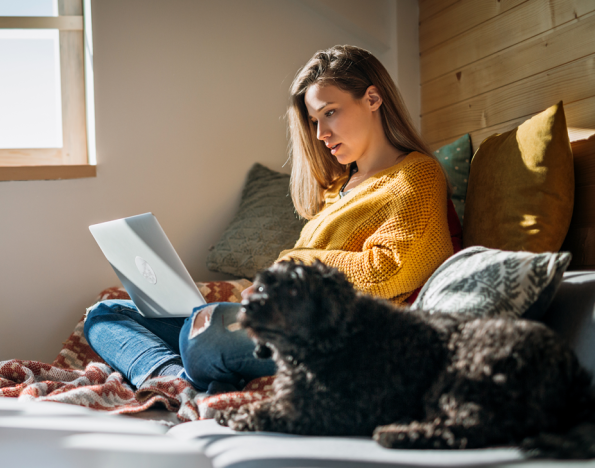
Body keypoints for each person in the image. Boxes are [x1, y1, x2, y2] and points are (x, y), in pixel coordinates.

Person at [83, 45, 454, 395]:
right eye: (314, 121)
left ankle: (187, 368)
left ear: (373, 99)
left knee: (207, 337)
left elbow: (388, 271)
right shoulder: (339, 187)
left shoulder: (416, 175)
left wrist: (291, 266)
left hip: (338, 337)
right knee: (106, 313)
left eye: (330, 112)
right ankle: (173, 378)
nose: (322, 134)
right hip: (285, 320)